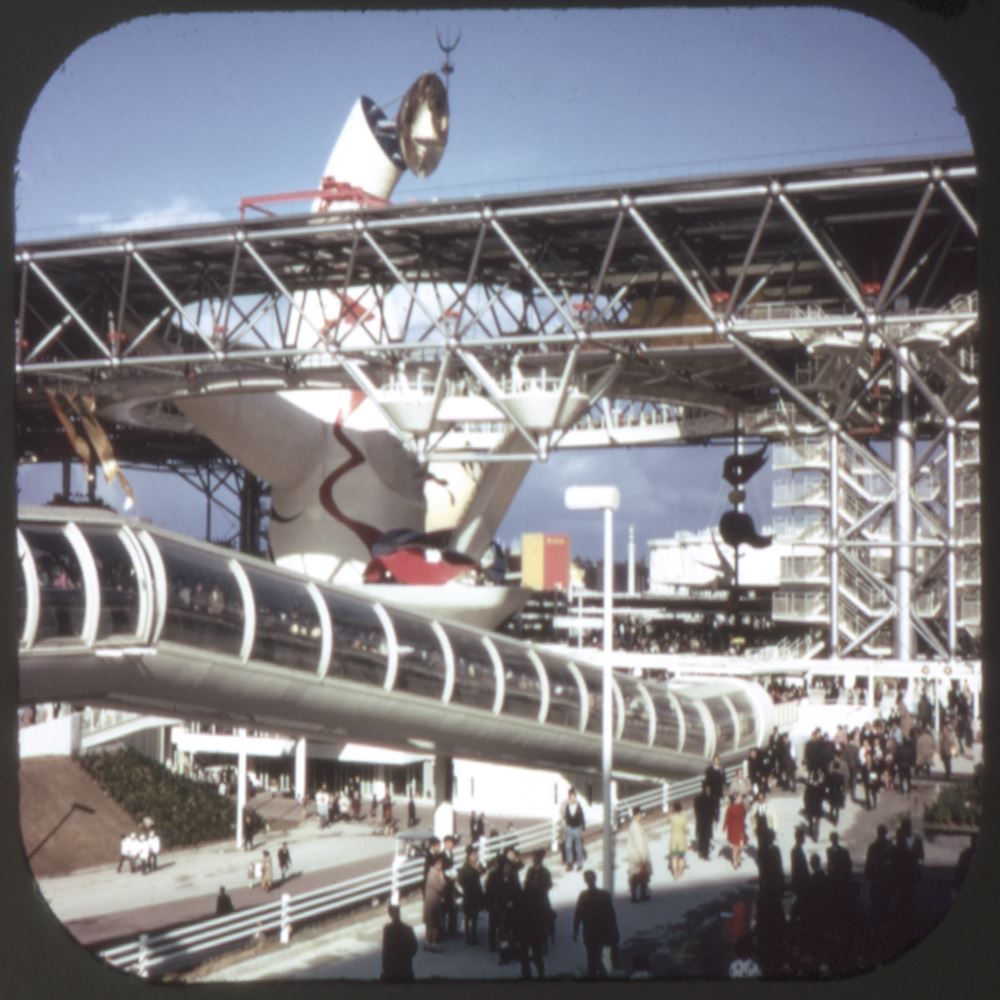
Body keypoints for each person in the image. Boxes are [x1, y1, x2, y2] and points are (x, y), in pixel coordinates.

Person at [572, 869, 619, 978]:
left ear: (585, 881)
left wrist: (575, 930)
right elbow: (611, 916)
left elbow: (578, 915)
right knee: (595, 957)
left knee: (592, 957)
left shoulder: (583, 896)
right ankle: (600, 975)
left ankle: (596, 976)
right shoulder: (604, 895)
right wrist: (614, 933)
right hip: (601, 930)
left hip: (590, 931)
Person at [523, 849, 556, 944]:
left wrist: (541, 889)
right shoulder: (530, 870)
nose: (534, 860)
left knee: (548, 915)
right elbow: (526, 883)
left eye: (536, 858)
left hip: (541, 897)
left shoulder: (545, 872)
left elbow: (549, 884)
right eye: (533, 858)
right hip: (531, 898)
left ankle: (550, 934)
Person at [380, 904, 418, 982]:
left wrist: (385, 967)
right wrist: (407, 957)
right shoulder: (408, 929)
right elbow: (414, 947)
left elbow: (386, 950)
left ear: (390, 914)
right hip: (406, 969)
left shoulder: (388, 929)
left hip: (391, 970)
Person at [457, 845, 486, 945]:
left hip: (477, 894)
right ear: (469, 856)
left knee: (474, 916)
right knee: (468, 917)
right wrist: (467, 886)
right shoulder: (465, 867)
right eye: (473, 855)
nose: (475, 856)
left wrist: (479, 868)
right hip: (469, 894)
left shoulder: (477, 865)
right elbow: (461, 880)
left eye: (476, 854)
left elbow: (484, 871)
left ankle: (473, 936)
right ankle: (468, 937)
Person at [626, 807, 653, 900]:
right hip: (638, 856)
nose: (641, 816)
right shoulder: (635, 827)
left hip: (635, 854)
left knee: (641, 876)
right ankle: (635, 896)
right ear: (636, 815)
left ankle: (642, 894)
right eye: (640, 814)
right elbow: (639, 844)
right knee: (638, 876)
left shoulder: (635, 825)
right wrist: (643, 858)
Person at [423, 854, 446, 952]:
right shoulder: (433, 874)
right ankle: (433, 944)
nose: (440, 865)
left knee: (431, 924)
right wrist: (442, 876)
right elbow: (440, 887)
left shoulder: (431, 873)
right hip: (433, 902)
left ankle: (428, 943)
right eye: (439, 863)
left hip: (431, 901)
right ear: (434, 864)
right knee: (435, 924)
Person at [562, 787, 586, 872]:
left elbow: (582, 817)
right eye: (571, 797)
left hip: (577, 828)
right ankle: (569, 864)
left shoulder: (579, 807)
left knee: (578, 847)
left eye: (573, 797)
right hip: (569, 828)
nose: (572, 798)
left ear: (575, 797)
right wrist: (565, 824)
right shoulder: (567, 806)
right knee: (568, 846)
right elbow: (565, 816)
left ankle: (579, 864)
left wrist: (583, 827)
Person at [722, 793, 747, 869]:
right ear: (735, 800)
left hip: (741, 828)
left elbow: (744, 816)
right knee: (735, 846)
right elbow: (727, 818)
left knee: (741, 846)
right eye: (739, 798)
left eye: (741, 798)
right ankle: (735, 862)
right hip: (733, 829)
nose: (741, 799)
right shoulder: (730, 808)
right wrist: (725, 826)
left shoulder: (742, 807)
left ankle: (738, 858)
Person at [667, 799, 689, 879]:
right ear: (681, 809)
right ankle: (680, 872)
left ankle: (675, 873)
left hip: (673, 840)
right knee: (681, 857)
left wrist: (671, 812)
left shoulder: (671, 818)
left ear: (674, 809)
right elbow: (686, 830)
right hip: (681, 840)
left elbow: (668, 819)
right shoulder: (684, 818)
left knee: (674, 858)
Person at [693, 781, 714, 859]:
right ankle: (705, 853)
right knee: (706, 837)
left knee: (701, 836)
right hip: (707, 820)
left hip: (700, 820)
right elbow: (712, 811)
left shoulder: (697, 798)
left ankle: (701, 851)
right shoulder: (710, 798)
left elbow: (696, 810)